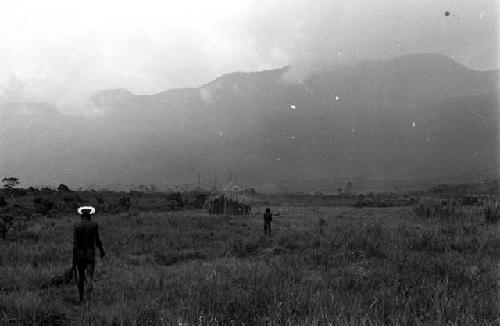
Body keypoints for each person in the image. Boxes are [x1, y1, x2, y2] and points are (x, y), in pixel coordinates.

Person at [73, 206, 105, 304]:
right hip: (90, 254)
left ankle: (81, 298)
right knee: (89, 277)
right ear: (90, 216)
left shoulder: (77, 225)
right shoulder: (94, 225)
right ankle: (88, 300)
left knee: (81, 276)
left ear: (81, 216)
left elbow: (75, 243)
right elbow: (97, 240)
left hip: (79, 254)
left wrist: (73, 258)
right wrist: (101, 250)